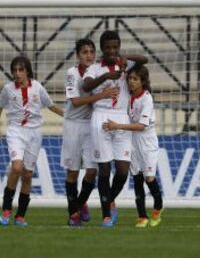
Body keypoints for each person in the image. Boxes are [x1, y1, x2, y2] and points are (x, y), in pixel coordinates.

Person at [83, 30, 148, 227]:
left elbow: (144, 60)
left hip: (121, 117)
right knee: (104, 168)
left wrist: (124, 58)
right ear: (102, 48)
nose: (112, 50)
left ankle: (109, 199)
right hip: (101, 116)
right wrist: (107, 76)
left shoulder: (125, 65)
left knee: (122, 170)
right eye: (108, 47)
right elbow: (86, 86)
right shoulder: (94, 68)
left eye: (115, 47)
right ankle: (106, 216)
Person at [0, 55, 63, 227]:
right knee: (16, 168)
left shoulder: (37, 87)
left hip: (34, 133)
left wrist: (69, 116)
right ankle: (6, 209)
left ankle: (20, 216)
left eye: (20, 70)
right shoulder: (8, 89)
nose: (17, 73)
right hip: (16, 131)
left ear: (27, 71)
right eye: (14, 70)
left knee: (28, 174)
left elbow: (51, 105)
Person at [61, 38, 119, 226]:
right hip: (73, 124)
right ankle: (74, 215)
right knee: (72, 173)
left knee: (92, 171)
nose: (89, 55)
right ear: (78, 55)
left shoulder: (97, 71)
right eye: (84, 52)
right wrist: (101, 95)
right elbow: (76, 101)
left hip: (92, 125)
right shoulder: (72, 73)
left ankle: (78, 205)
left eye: (91, 52)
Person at [102, 65, 163, 227]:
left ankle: (158, 207)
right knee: (136, 179)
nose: (131, 82)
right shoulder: (129, 97)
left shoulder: (147, 99)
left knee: (149, 178)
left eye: (135, 79)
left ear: (143, 81)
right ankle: (142, 216)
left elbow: (141, 126)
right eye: (129, 78)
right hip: (132, 141)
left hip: (147, 142)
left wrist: (118, 126)